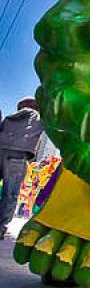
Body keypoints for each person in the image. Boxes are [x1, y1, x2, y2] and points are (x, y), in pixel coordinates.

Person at [0, 98, 43, 239]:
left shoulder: (9, 118)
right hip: (17, 156)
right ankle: (1, 226)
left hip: (1, 149)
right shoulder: (37, 116)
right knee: (10, 194)